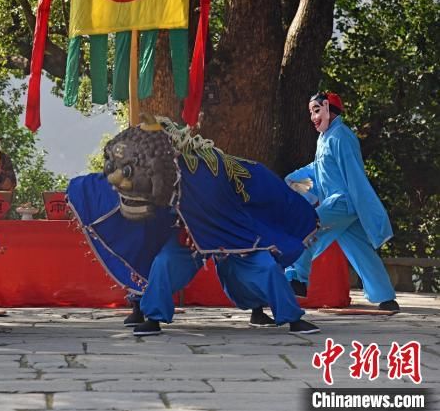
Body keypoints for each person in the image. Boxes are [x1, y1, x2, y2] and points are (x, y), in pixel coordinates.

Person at [67, 116, 321, 337]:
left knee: (262, 265)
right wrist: (79, 189)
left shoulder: (207, 168)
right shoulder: (149, 170)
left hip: (227, 232)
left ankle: (287, 316)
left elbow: (258, 181)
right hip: (184, 237)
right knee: (161, 261)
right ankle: (149, 315)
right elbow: (112, 186)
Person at [284, 92, 399, 312]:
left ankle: (297, 278)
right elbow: (319, 170)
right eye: (311, 112)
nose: (313, 117)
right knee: (361, 250)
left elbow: (354, 174)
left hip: (342, 202)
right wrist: (293, 180)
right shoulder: (325, 138)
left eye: (316, 110)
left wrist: (365, 204)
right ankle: (386, 297)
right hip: (342, 205)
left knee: (308, 227)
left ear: (329, 109)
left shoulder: (342, 137)